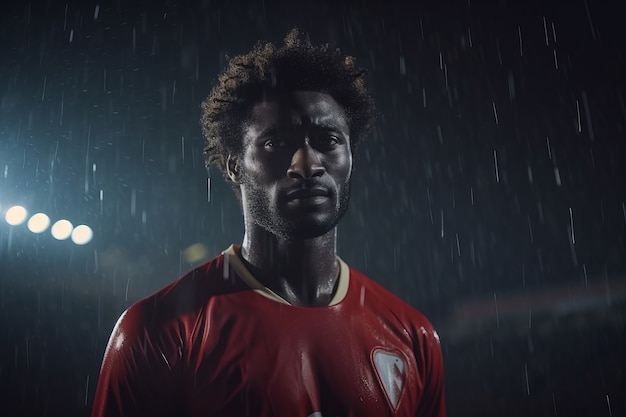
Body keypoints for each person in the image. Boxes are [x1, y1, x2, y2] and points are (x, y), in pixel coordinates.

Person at [91, 28, 446, 417]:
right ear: (233, 166)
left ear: (350, 156)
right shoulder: (158, 331)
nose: (308, 165)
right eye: (277, 143)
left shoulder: (413, 335)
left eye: (328, 140)